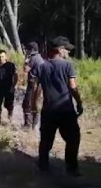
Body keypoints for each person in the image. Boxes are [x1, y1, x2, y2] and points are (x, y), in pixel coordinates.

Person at [29, 36, 83, 177]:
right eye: (67, 50)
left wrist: (34, 105)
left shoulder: (42, 66)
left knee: (46, 140)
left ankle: (43, 167)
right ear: (59, 50)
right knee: (73, 139)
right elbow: (72, 87)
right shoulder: (67, 65)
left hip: (48, 111)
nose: (68, 52)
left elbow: (37, 89)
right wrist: (79, 102)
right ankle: (71, 168)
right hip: (65, 110)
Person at [0, 50, 18, 125]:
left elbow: (15, 76)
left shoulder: (10, 65)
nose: (1, 58)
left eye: (2, 56)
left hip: (8, 88)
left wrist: (13, 86)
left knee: (8, 105)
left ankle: (10, 119)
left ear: (5, 57)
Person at [21, 42, 45, 128]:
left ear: (31, 50)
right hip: (39, 84)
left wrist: (26, 61)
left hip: (33, 84)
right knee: (35, 104)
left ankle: (28, 125)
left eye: (28, 49)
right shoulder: (40, 58)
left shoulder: (33, 58)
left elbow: (25, 69)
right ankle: (34, 125)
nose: (26, 51)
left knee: (27, 104)